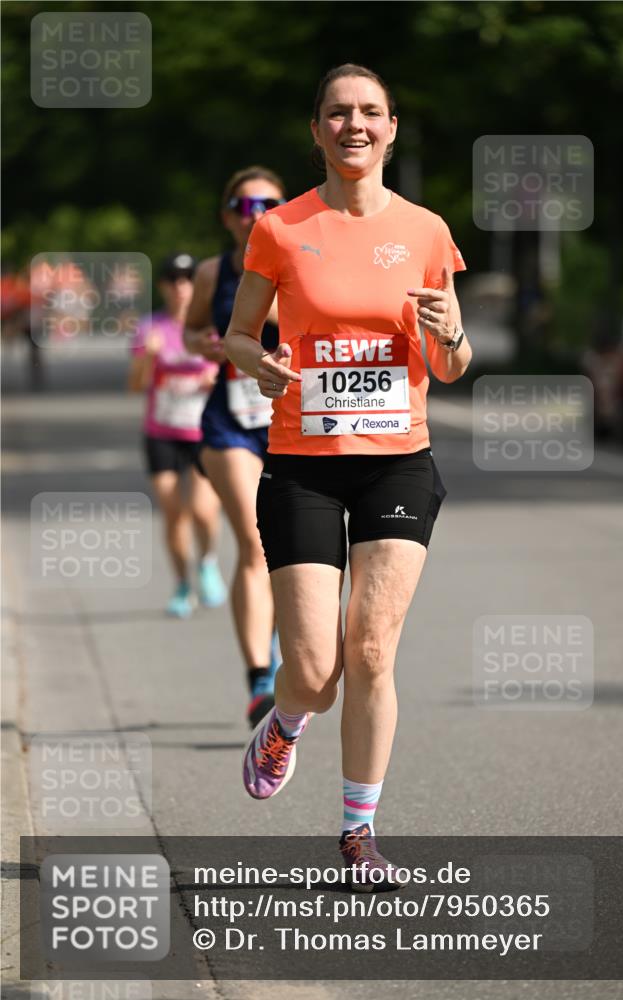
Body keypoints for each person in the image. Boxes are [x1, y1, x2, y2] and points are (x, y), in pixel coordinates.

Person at [224, 64, 472, 890]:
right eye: (338, 113)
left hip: (397, 461)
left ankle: (357, 834)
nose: (354, 125)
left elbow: (452, 360)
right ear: (317, 129)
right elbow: (235, 335)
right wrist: (257, 364)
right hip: (302, 466)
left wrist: (449, 334)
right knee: (316, 673)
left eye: (370, 113)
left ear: (391, 128)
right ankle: (284, 717)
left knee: (369, 649)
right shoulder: (283, 229)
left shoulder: (428, 231)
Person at [184, 167, 286, 727]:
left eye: (270, 203)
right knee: (253, 538)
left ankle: (292, 654)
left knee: (294, 547)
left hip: (294, 421)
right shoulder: (212, 272)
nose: (257, 214)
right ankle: (259, 680)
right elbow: (191, 331)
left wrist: (261, 317)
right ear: (228, 215)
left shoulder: (302, 265)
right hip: (231, 423)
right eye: (246, 206)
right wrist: (206, 343)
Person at [129, 253, 226, 618]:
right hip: (162, 431)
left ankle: (208, 559)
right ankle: (183, 585)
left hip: (203, 430)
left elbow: (237, 372)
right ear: (163, 286)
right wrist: (147, 359)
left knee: (202, 510)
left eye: (187, 279)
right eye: (173, 280)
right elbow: (134, 385)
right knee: (173, 513)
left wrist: (214, 377)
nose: (180, 287)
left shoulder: (212, 325)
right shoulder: (149, 328)